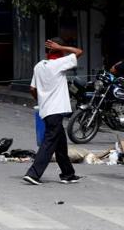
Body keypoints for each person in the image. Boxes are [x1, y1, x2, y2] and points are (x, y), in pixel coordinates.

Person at [23, 38, 83, 185]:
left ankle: (68, 174)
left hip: (46, 110)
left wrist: (42, 100)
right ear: (60, 51)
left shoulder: (38, 66)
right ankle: (33, 174)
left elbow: (32, 89)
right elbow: (79, 52)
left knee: (60, 143)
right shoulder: (58, 64)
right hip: (56, 110)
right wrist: (62, 46)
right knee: (49, 142)